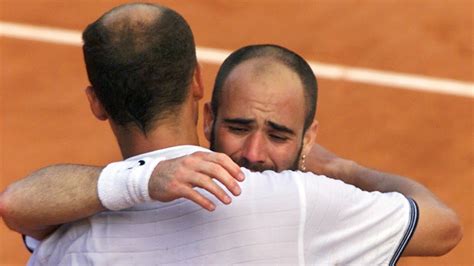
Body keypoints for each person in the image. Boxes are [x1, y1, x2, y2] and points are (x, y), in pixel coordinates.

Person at [0, 3, 461, 265]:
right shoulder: (301, 203)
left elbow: (17, 206)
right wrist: (345, 169)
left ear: (96, 103)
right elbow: (443, 227)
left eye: (276, 134)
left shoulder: (66, 239)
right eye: (241, 127)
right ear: (198, 89)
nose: (255, 153)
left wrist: (139, 182)